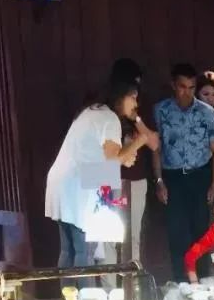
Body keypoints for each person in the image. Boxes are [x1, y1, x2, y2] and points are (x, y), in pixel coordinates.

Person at [45, 76, 154, 273]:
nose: (136, 104)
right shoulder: (109, 118)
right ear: (120, 97)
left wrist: (125, 157)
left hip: (65, 180)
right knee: (83, 251)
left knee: (68, 249)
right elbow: (112, 160)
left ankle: (68, 292)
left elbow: (105, 161)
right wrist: (139, 142)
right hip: (77, 183)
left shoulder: (91, 111)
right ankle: (84, 292)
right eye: (133, 97)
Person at [153, 62, 214, 282]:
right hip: (173, 177)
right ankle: (181, 282)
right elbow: (156, 148)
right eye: (182, 87)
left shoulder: (206, 112)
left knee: (200, 231)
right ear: (173, 85)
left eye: (192, 87)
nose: (187, 92)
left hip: (200, 175)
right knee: (177, 232)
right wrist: (159, 181)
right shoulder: (161, 110)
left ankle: (202, 281)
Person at [110, 58, 159, 268]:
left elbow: (154, 143)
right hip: (108, 178)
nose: (135, 92)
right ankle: (110, 284)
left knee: (132, 236)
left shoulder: (140, 105)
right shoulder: (105, 108)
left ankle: (132, 282)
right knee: (108, 236)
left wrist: (136, 118)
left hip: (135, 179)